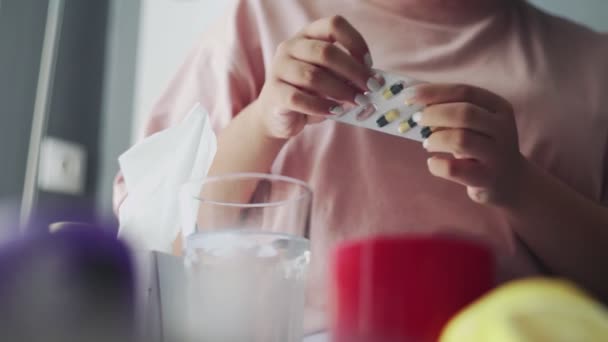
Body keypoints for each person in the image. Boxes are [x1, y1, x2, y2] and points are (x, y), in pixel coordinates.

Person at [114, 0, 608, 331]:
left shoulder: (594, 68)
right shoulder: (264, 19)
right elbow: (162, 244)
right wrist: (264, 121)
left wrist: (518, 185)